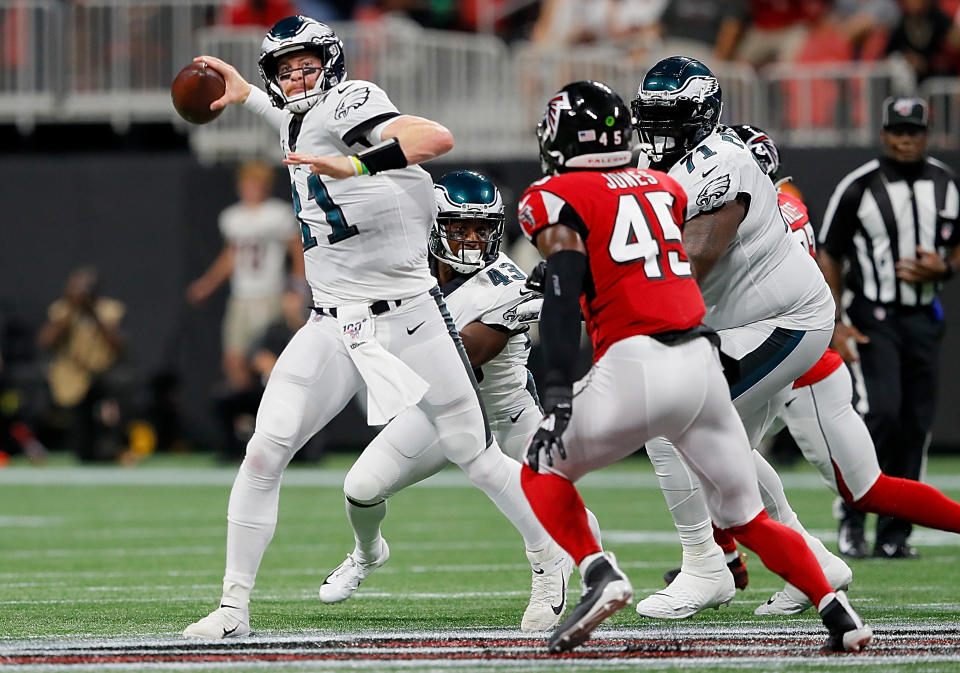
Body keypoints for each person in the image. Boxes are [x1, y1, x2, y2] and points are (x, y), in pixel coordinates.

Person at [182, 15, 564, 639]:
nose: (296, 78)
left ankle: (551, 568)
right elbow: (295, 124)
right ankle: (232, 607)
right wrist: (247, 97)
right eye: (284, 70)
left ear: (330, 64)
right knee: (265, 449)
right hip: (333, 324)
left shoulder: (353, 99)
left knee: (475, 452)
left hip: (409, 316)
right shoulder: (300, 116)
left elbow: (432, 137)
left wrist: (359, 168)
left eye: (306, 64)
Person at [516, 79, 871, 655]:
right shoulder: (662, 186)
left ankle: (599, 574)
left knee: (540, 468)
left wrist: (555, 386)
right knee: (749, 517)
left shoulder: (554, 197)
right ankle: (838, 613)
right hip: (701, 360)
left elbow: (563, 293)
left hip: (639, 359)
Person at [668, 124, 960, 615]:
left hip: (798, 367)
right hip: (778, 353)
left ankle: (745, 559)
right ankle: (775, 561)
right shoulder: (775, 201)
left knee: (863, 489)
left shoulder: (757, 204)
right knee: (717, 446)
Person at [317, 170, 591, 632]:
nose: (470, 239)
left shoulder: (506, 281)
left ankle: (557, 571)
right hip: (437, 411)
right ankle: (367, 554)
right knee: (360, 489)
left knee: (565, 515)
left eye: (481, 229)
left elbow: (467, 355)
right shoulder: (408, 268)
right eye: (459, 228)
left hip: (505, 412)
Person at [629, 56, 851, 620]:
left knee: (670, 421)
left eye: (670, 116)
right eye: (650, 115)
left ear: (701, 115)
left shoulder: (719, 161)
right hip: (741, 324)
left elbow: (696, 257)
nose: (657, 129)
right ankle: (816, 566)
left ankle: (706, 565)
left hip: (784, 319)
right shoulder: (662, 164)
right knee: (726, 455)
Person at [818, 96, 960, 559]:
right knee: (880, 414)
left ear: (926, 134)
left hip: (923, 318)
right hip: (871, 318)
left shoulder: (947, 183)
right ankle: (853, 519)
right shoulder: (859, 187)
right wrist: (834, 321)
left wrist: (945, 267)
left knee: (915, 425)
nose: (905, 139)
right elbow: (829, 253)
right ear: (883, 134)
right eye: (897, 130)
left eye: (913, 131)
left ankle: (896, 534)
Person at [187, 160, 304, 391]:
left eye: (257, 183)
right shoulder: (232, 217)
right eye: (248, 183)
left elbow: (298, 252)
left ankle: (274, 410)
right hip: (241, 296)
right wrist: (207, 285)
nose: (252, 188)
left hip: (269, 293)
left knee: (264, 357)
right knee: (233, 359)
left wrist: (297, 289)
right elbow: (231, 257)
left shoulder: (277, 213)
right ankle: (247, 414)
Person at [37, 267, 126, 462]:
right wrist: (69, 313)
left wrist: (93, 314)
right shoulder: (62, 310)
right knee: (82, 445)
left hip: (102, 375)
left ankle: (113, 446)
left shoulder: (108, 309)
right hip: (72, 377)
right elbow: (45, 342)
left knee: (110, 408)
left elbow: (120, 346)